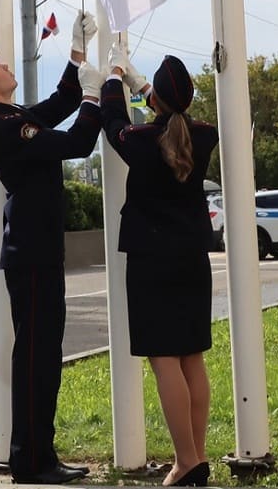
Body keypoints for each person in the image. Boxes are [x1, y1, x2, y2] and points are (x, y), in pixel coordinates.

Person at [0, 12, 104, 485]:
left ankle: (37, 456)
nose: (5, 66)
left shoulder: (12, 117)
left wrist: (77, 52)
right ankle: (32, 463)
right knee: (37, 359)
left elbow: (62, 101)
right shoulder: (6, 127)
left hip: (36, 253)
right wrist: (98, 96)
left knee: (42, 356)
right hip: (32, 256)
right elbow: (78, 141)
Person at [102, 46, 218, 487]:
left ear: (159, 104)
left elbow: (114, 125)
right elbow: (172, 114)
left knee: (164, 360)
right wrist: (143, 86)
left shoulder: (140, 143)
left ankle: (185, 462)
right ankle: (197, 457)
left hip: (152, 262)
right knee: (192, 359)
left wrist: (114, 78)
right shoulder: (204, 135)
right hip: (192, 260)